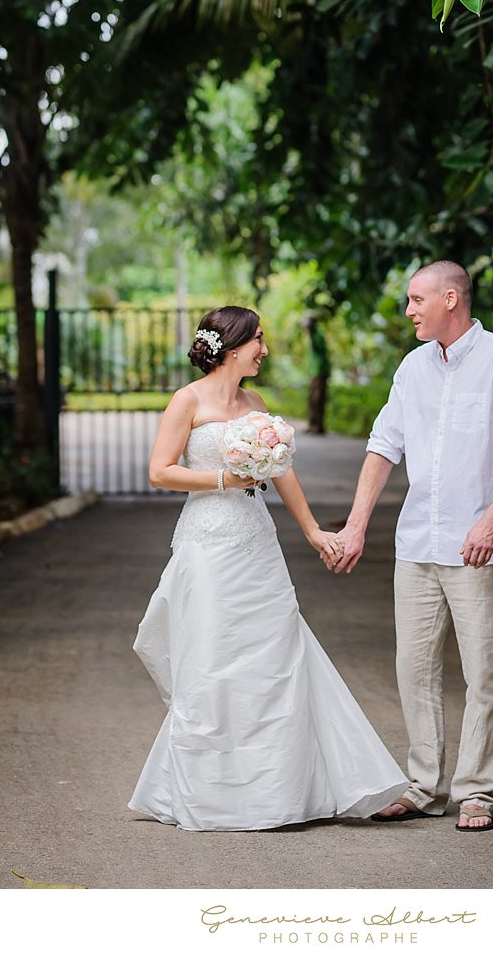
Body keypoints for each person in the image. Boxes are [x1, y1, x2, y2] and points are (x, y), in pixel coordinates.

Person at [128, 304, 407, 832]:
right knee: (214, 660)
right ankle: (214, 794)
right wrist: (222, 481)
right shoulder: (187, 400)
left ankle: (316, 786)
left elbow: (282, 472)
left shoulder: (255, 404)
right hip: (208, 544)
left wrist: (314, 531)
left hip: (256, 542)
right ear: (233, 347)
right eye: (258, 339)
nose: (265, 349)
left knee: (282, 653)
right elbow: (160, 472)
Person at [329, 261, 493, 832]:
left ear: (450, 299)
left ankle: (476, 792)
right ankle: (425, 786)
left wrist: (492, 520)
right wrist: (355, 526)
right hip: (418, 543)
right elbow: (384, 445)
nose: (408, 311)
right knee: (414, 668)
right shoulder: (413, 367)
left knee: (484, 674)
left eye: (416, 300)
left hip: (480, 546)